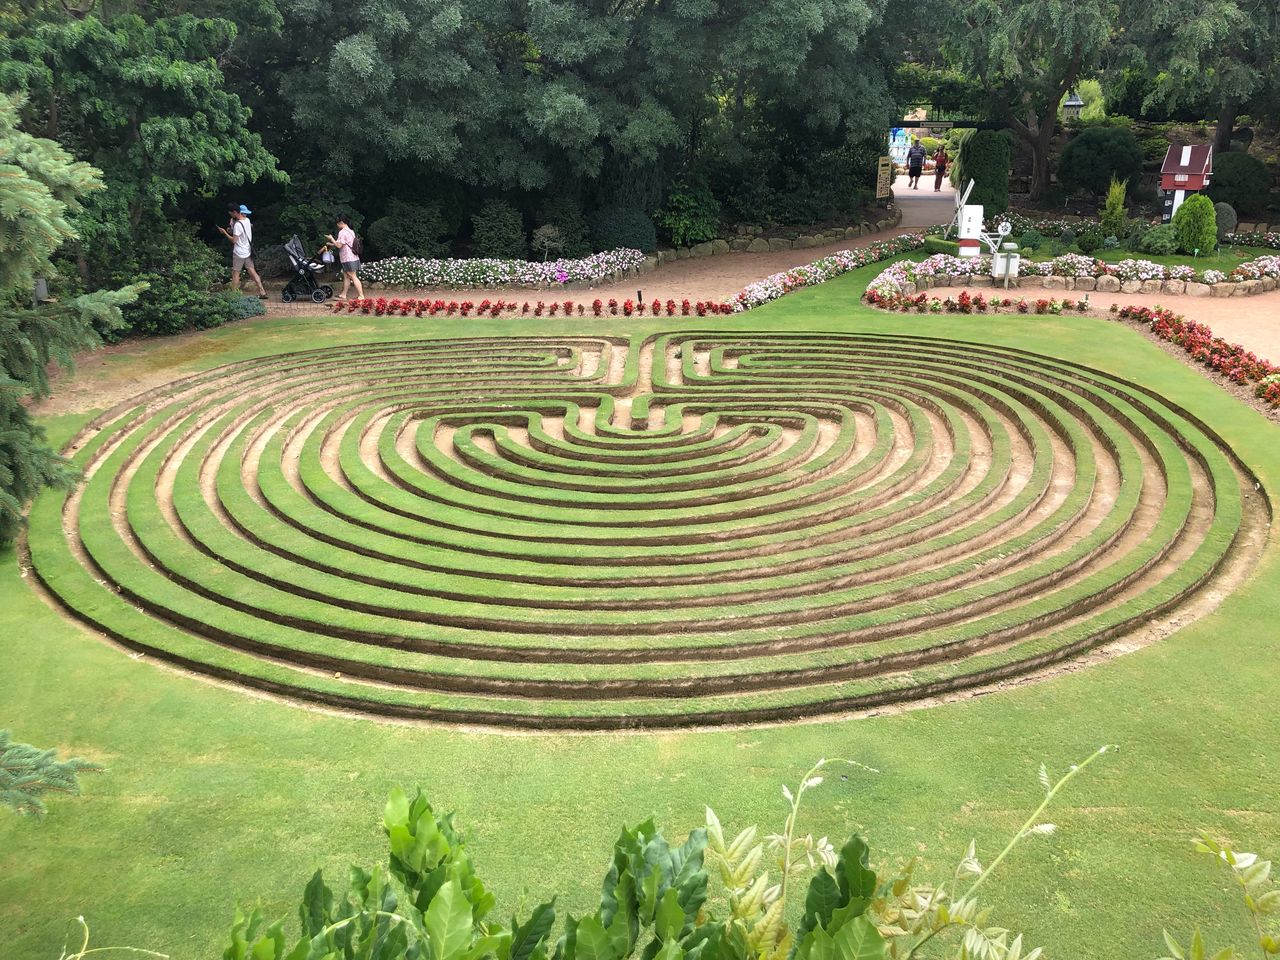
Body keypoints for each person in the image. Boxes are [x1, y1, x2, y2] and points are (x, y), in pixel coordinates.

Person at [217, 204, 268, 299]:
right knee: (252, 272)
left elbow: (234, 240)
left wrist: (224, 232)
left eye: (231, 213)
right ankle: (262, 292)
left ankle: (233, 296)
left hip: (239, 253)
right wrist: (231, 229)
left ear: (235, 212)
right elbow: (241, 233)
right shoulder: (247, 221)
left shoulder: (237, 225)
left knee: (236, 274)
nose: (231, 215)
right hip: (247, 251)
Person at [325, 215, 364, 300]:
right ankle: (343, 295)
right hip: (352, 257)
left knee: (353, 276)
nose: (337, 225)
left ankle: (361, 296)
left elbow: (339, 245)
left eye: (337, 223)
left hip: (348, 258)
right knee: (346, 276)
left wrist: (331, 239)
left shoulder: (342, 232)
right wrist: (331, 244)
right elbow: (343, 244)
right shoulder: (351, 231)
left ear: (341, 223)